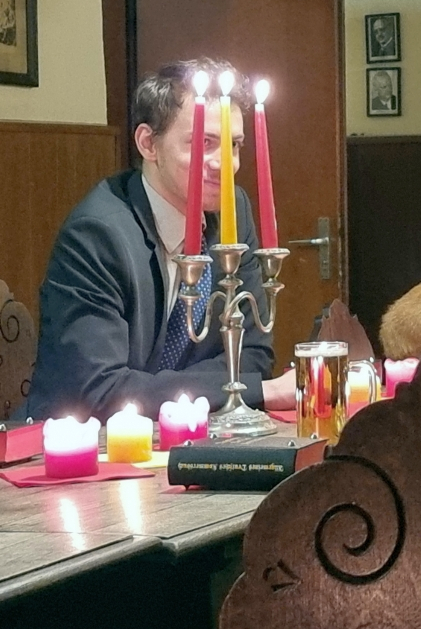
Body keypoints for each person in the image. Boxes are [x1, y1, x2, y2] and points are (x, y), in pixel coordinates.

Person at [27, 58, 296, 422]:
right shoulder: (96, 235)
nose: (224, 163)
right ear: (148, 144)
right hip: (84, 444)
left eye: (234, 145)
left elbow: (252, 355)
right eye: (203, 142)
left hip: (193, 434)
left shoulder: (235, 212)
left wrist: (158, 390)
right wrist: (255, 391)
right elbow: (100, 390)